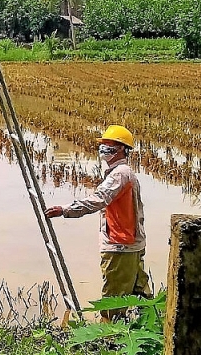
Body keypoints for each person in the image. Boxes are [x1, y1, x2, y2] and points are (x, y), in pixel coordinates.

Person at [45, 125, 149, 321]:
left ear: (123, 151)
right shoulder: (120, 173)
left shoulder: (120, 174)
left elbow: (98, 199)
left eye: (110, 148)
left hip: (120, 246)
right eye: (103, 147)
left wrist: (65, 210)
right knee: (142, 294)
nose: (104, 152)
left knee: (113, 303)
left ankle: (108, 342)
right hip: (129, 244)